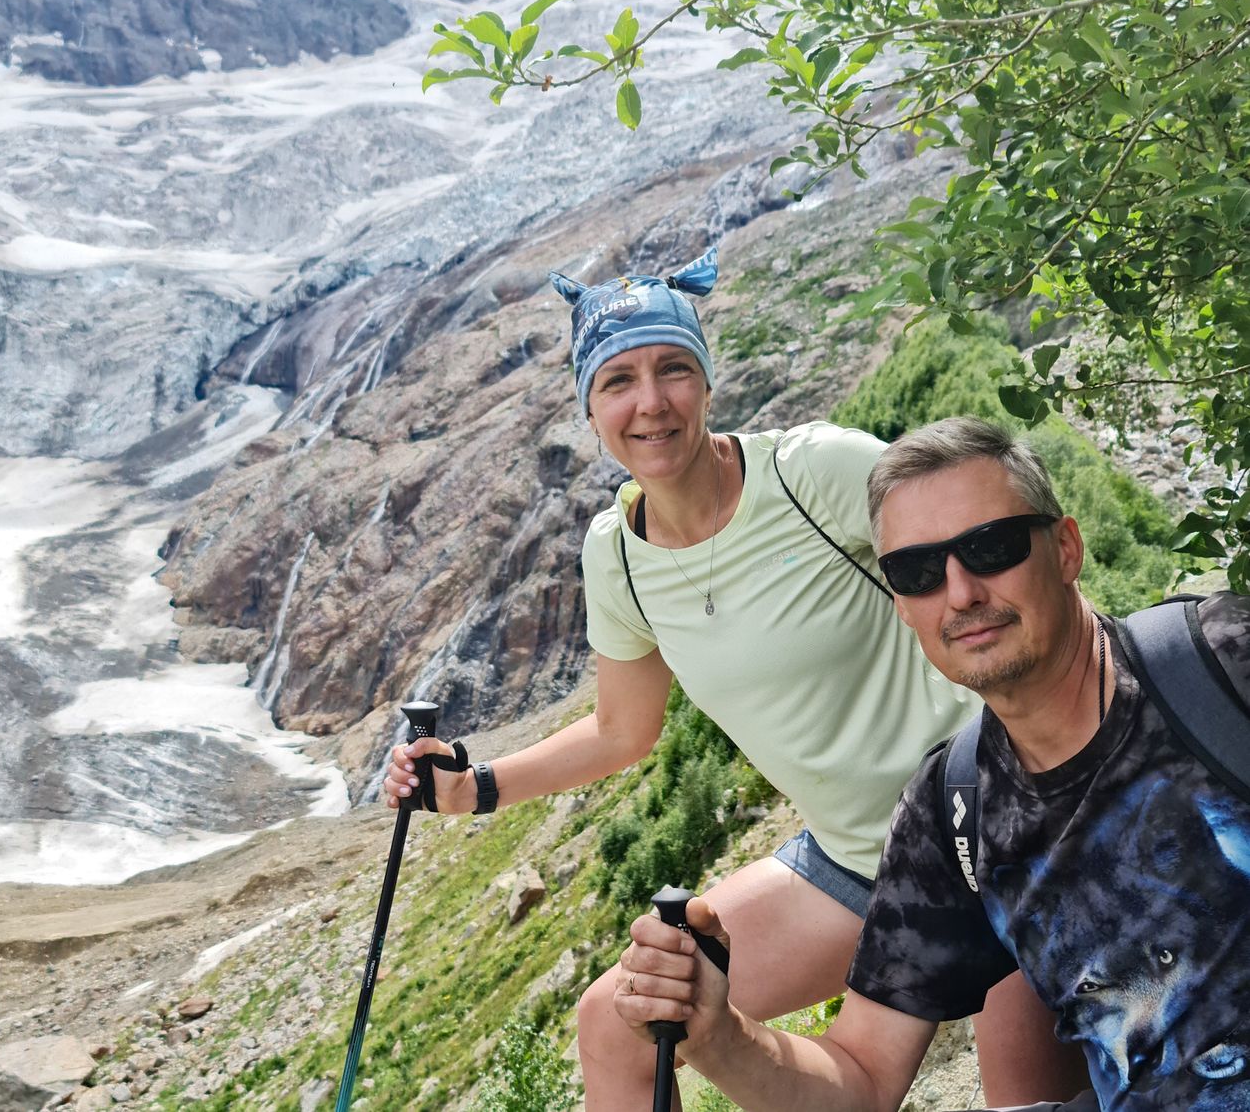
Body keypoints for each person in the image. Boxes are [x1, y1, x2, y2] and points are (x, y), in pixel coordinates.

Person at [384, 254, 1086, 1106]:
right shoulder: (618, 559)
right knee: (619, 1019)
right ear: (589, 408)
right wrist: (474, 788)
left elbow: (997, 566)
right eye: (618, 381)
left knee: (1028, 1096)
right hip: (859, 862)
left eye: (673, 368)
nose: (652, 401)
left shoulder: (812, 474)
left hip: (1007, 833)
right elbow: (622, 729)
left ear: (707, 382)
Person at [614, 415, 1250, 1110]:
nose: (961, 593)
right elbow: (862, 1077)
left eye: (992, 547)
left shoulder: (1221, 661)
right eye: (918, 572)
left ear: (1066, 548)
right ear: (901, 605)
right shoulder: (952, 812)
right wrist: (720, 1035)